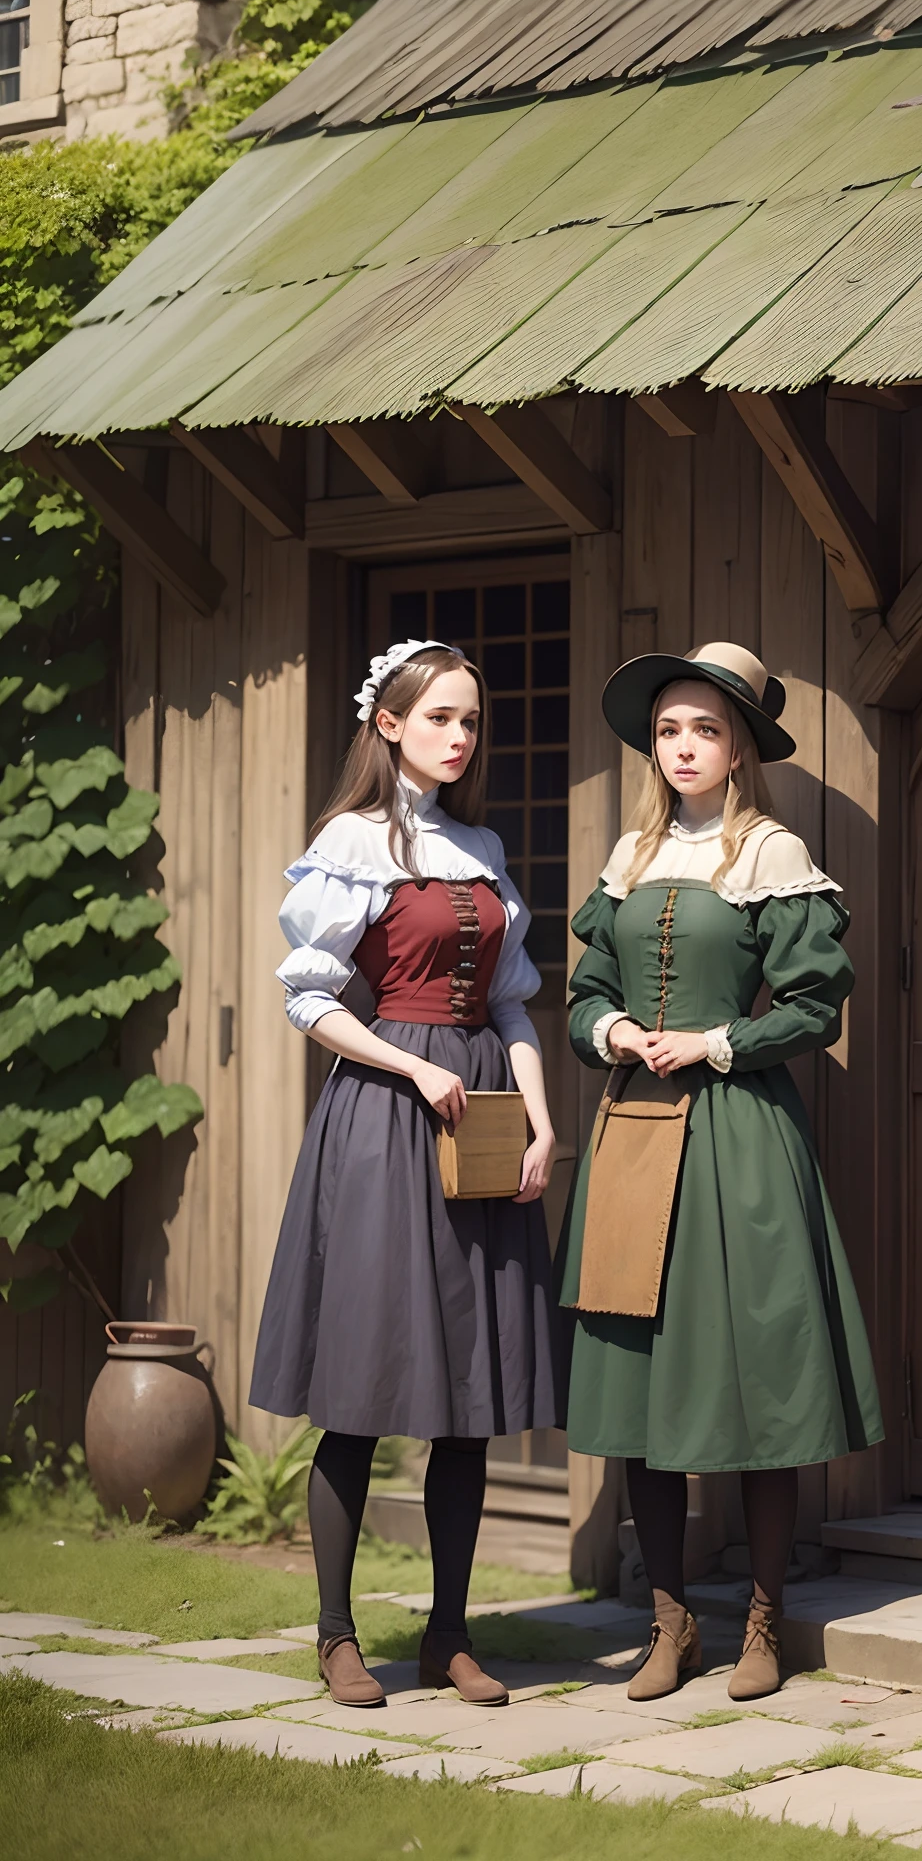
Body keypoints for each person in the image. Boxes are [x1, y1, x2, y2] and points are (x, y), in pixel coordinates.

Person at [558, 643, 885, 1704]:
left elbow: (813, 1003)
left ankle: (759, 1619)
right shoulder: (631, 852)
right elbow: (583, 988)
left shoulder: (771, 852)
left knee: (755, 1387)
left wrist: (712, 1041)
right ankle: (668, 1622)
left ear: (739, 744)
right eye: (668, 729)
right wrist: (607, 1025)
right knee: (643, 1383)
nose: (684, 745)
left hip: (736, 1133)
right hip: (634, 1136)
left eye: (704, 727)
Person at [250, 641, 562, 1711]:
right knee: (360, 1387)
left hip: (479, 1111)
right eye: (438, 717)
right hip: (384, 1119)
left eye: (470, 719)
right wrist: (406, 1064)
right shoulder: (352, 839)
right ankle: (338, 1636)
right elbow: (309, 997)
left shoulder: (480, 843)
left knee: (466, 1396)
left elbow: (513, 1000)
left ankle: (448, 1634)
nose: (459, 736)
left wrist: (538, 1117)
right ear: (388, 723)